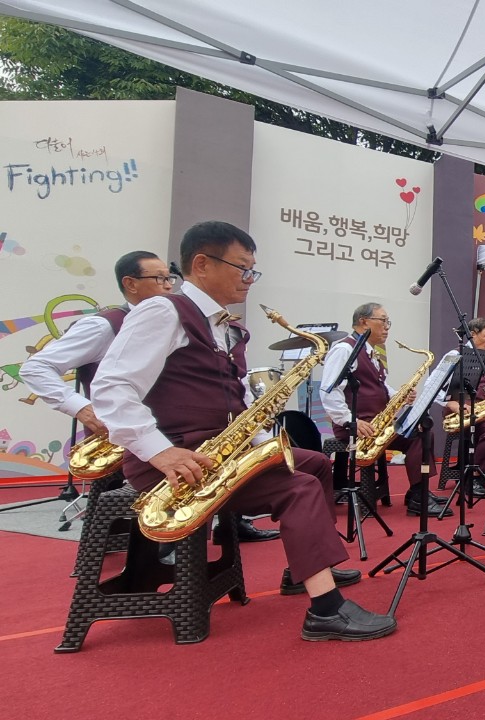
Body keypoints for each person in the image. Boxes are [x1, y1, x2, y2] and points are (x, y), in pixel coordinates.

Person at [92, 221, 394, 641]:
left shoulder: (220, 325)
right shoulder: (163, 311)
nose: (250, 278)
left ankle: (305, 566)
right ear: (202, 264)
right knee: (298, 487)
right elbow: (111, 387)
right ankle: (325, 610)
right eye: (242, 268)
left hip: (214, 452)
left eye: (253, 270)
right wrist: (159, 451)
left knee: (315, 464)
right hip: (177, 461)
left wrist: (261, 444)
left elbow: (231, 401)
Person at [20, 251, 278, 544]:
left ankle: (222, 524)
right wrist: (81, 407)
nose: (168, 285)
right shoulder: (105, 325)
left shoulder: (187, 319)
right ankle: (168, 544)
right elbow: (36, 368)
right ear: (130, 284)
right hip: (132, 437)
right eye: (159, 278)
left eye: (170, 278)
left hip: (179, 433)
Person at [321, 303, 450, 519]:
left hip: (376, 423)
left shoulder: (370, 351)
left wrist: (400, 396)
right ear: (363, 322)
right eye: (383, 321)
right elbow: (329, 390)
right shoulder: (344, 350)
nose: (387, 327)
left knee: (423, 430)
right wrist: (350, 421)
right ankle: (418, 496)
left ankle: (418, 491)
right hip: (359, 426)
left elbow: (379, 385)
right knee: (418, 435)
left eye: (387, 322)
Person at [436, 318, 485, 496]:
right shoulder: (454, 355)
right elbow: (432, 386)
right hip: (461, 413)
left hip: (484, 412)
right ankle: (474, 477)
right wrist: (451, 403)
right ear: (473, 334)